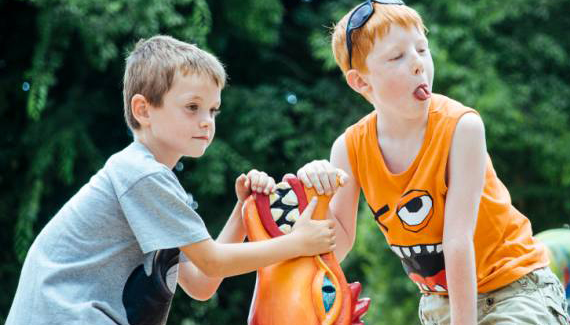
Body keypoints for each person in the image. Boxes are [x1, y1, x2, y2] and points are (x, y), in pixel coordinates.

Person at [6, 35, 336, 325]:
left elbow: (202, 283)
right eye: (192, 107)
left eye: (213, 110)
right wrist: (300, 242)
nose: (207, 122)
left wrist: (242, 210)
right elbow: (212, 260)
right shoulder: (141, 175)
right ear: (144, 110)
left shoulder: (156, 185)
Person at [296, 0, 570, 324]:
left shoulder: (461, 127)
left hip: (516, 288)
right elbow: (337, 247)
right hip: (439, 302)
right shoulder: (349, 148)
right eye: (397, 56)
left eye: (422, 49)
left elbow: (457, 240)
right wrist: (318, 192)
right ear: (361, 81)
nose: (417, 63)